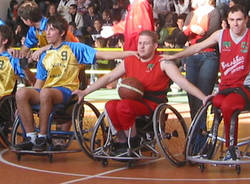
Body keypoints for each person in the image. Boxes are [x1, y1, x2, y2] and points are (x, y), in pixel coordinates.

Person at [14, 15, 137, 152]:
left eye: (52, 29)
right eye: (46, 29)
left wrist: (131, 53)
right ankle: (31, 137)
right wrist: (24, 103)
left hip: (67, 91)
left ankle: (42, 137)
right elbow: (38, 84)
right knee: (21, 93)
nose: (47, 33)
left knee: (45, 92)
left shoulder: (74, 48)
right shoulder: (44, 55)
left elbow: (103, 55)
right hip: (47, 91)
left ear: (61, 33)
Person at [73, 30, 207, 151]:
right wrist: (85, 92)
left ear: (155, 46)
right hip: (133, 101)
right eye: (140, 43)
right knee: (110, 105)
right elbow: (109, 77)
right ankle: (121, 139)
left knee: (123, 106)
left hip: (152, 104)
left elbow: (182, 82)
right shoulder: (130, 61)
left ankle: (133, 140)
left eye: (146, 43)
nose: (141, 46)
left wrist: (203, 97)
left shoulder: (163, 62)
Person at [161, 5, 250, 159]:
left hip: (245, 88)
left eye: (239, 20)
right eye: (232, 20)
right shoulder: (221, 35)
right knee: (210, 104)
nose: (235, 23)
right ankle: (202, 146)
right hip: (226, 88)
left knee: (228, 106)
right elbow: (197, 47)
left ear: (246, 20)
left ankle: (231, 149)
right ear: (227, 21)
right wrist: (174, 57)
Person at [180, 0, 221, 120]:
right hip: (192, 56)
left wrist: (190, 32)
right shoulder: (191, 14)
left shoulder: (214, 12)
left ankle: (199, 135)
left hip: (209, 56)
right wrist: (191, 29)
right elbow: (180, 38)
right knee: (192, 98)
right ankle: (196, 133)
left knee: (202, 97)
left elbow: (212, 36)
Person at [11, 1, 79, 61]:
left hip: (73, 55)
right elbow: (25, 49)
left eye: (23, 20)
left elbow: (62, 43)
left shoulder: (53, 24)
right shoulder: (33, 30)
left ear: (29, 21)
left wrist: (41, 50)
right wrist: (14, 53)